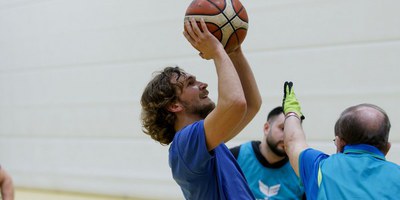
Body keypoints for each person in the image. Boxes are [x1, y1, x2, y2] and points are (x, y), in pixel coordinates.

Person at [140, 18, 262, 199]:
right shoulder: (185, 145)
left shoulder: (206, 141)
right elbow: (235, 103)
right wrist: (217, 52)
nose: (203, 84)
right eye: (191, 83)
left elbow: (251, 104)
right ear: (174, 105)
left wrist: (234, 51)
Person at [281, 81, 400, 200]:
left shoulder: (320, 168)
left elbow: (292, 142)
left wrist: (292, 110)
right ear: (387, 148)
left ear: (339, 143)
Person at [230, 106, 305, 200]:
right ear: (266, 128)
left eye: (293, 132)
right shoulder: (235, 157)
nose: (288, 137)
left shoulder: (302, 171)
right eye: (283, 128)